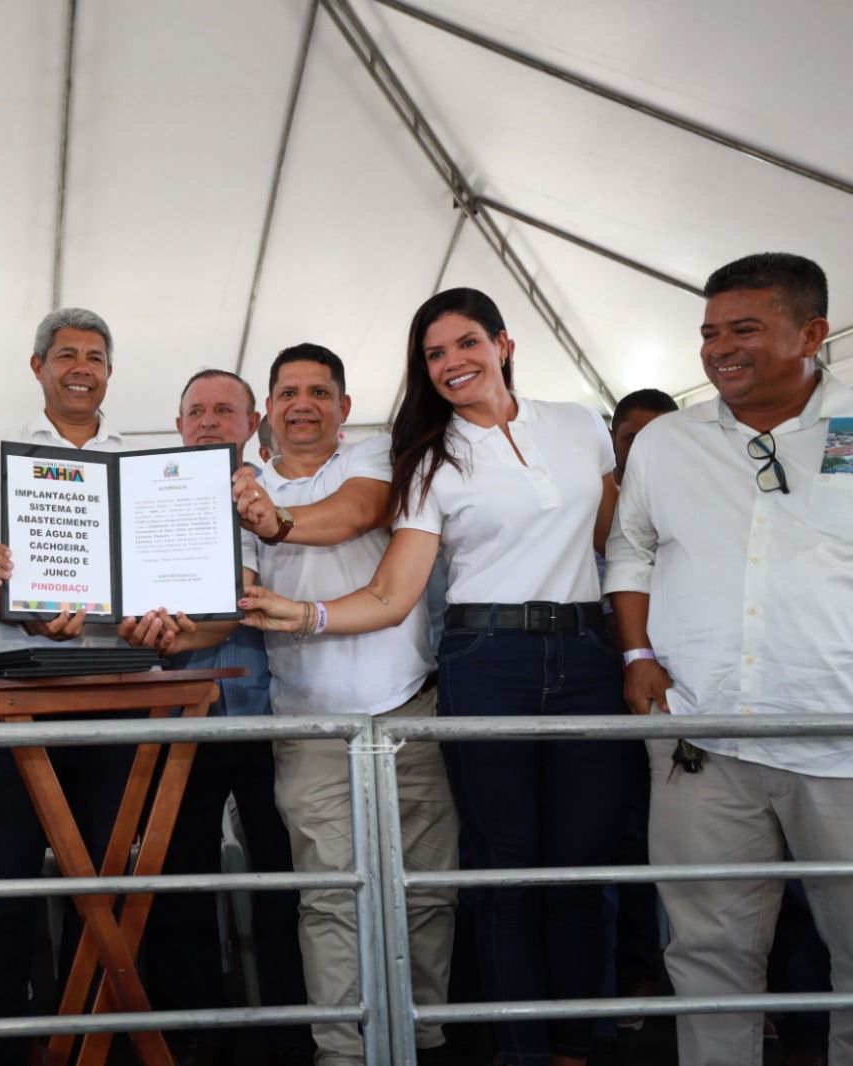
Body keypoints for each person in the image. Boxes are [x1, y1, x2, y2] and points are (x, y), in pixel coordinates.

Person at [237, 289, 643, 1066]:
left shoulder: (577, 426)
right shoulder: (425, 457)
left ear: (503, 343)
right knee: (502, 871)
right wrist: (307, 614)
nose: (453, 362)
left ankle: (568, 1045)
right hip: (480, 661)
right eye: (435, 353)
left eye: (466, 343)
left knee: (582, 869)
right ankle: (499, 1049)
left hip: (579, 656)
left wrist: (637, 652)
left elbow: (620, 545)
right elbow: (392, 592)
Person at [127, 351, 457, 1065]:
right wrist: (166, 631)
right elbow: (228, 606)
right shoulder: (242, 495)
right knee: (330, 899)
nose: (302, 404)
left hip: (408, 711)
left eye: (318, 392)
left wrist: (273, 520)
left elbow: (352, 516)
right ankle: (340, 1051)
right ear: (268, 412)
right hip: (307, 725)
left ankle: (423, 1040)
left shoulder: (375, 457)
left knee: (426, 893)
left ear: (344, 404)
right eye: (289, 393)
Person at [606, 252, 853, 1066]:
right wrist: (637, 651)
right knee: (707, 958)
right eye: (710, 333)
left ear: (812, 333)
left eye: (744, 329)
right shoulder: (667, 443)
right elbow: (630, 551)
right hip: (701, 740)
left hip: (841, 741)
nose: (719, 349)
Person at [0, 307, 135, 1064]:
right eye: (66, 354)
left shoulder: (134, 460)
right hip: (20, 692)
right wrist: (31, 618)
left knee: (105, 877)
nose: (81, 367)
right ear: (37, 367)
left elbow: (150, 577)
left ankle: (96, 1040)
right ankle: (1, 1045)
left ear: (108, 371)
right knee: (7, 878)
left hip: (114, 689)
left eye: (95, 356)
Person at [139, 368, 311, 1065]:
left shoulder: (289, 494)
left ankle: (290, 1027)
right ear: (178, 425)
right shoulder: (145, 499)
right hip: (177, 717)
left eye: (224, 410)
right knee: (180, 880)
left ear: (252, 423)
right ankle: (191, 1031)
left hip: (274, 719)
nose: (208, 422)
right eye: (196, 411)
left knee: (281, 881)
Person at [609, 388, 678, 486]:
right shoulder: (589, 496)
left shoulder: (689, 492)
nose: (649, 451)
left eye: (661, 441)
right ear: (611, 438)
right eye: (634, 440)